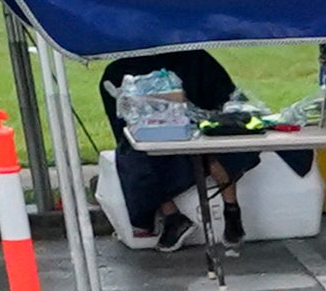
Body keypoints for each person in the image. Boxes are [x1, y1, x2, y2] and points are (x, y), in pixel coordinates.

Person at [93, 44, 249, 250]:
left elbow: (227, 101)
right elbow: (123, 129)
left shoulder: (194, 58)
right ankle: (173, 217)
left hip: (199, 131)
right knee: (137, 155)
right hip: (152, 137)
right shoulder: (117, 73)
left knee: (216, 144)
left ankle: (231, 210)